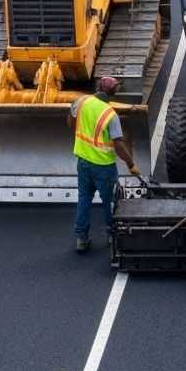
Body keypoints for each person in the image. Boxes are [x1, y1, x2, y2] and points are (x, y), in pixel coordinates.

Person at [67, 76, 141, 252]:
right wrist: (131, 164)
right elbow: (119, 145)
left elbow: (70, 119)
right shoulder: (110, 115)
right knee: (110, 201)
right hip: (103, 166)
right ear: (113, 92)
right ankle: (111, 234)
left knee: (84, 197)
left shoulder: (82, 101)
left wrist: (77, 133)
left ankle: (81, 238)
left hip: (83, 162)